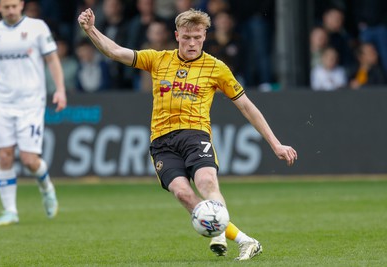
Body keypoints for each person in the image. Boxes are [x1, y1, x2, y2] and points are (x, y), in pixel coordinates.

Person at [78, 8, 297, 261]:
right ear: (177, 35)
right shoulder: (158, 59)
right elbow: (115, 51)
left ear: (205, 36)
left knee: (206, 182)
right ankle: (246, 240)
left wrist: (275, 143)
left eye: (197, 37)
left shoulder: (217, 68)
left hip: (195, 135)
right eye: (186, 37)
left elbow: (246, 106)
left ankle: (217, 233)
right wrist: (91, 29)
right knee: (182, 193)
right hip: (161, 142)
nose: (191, 43)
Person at [0, 0, 67, 226]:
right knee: (4, 155)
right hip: (2, 102)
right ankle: (10, 210)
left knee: (29, 160)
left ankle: (46, 187)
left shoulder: (37, 27)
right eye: (6, 6)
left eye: (14, 6)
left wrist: (60, 90)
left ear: (21, 5)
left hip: (31, 102)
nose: (11, 10)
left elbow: (52, 59)